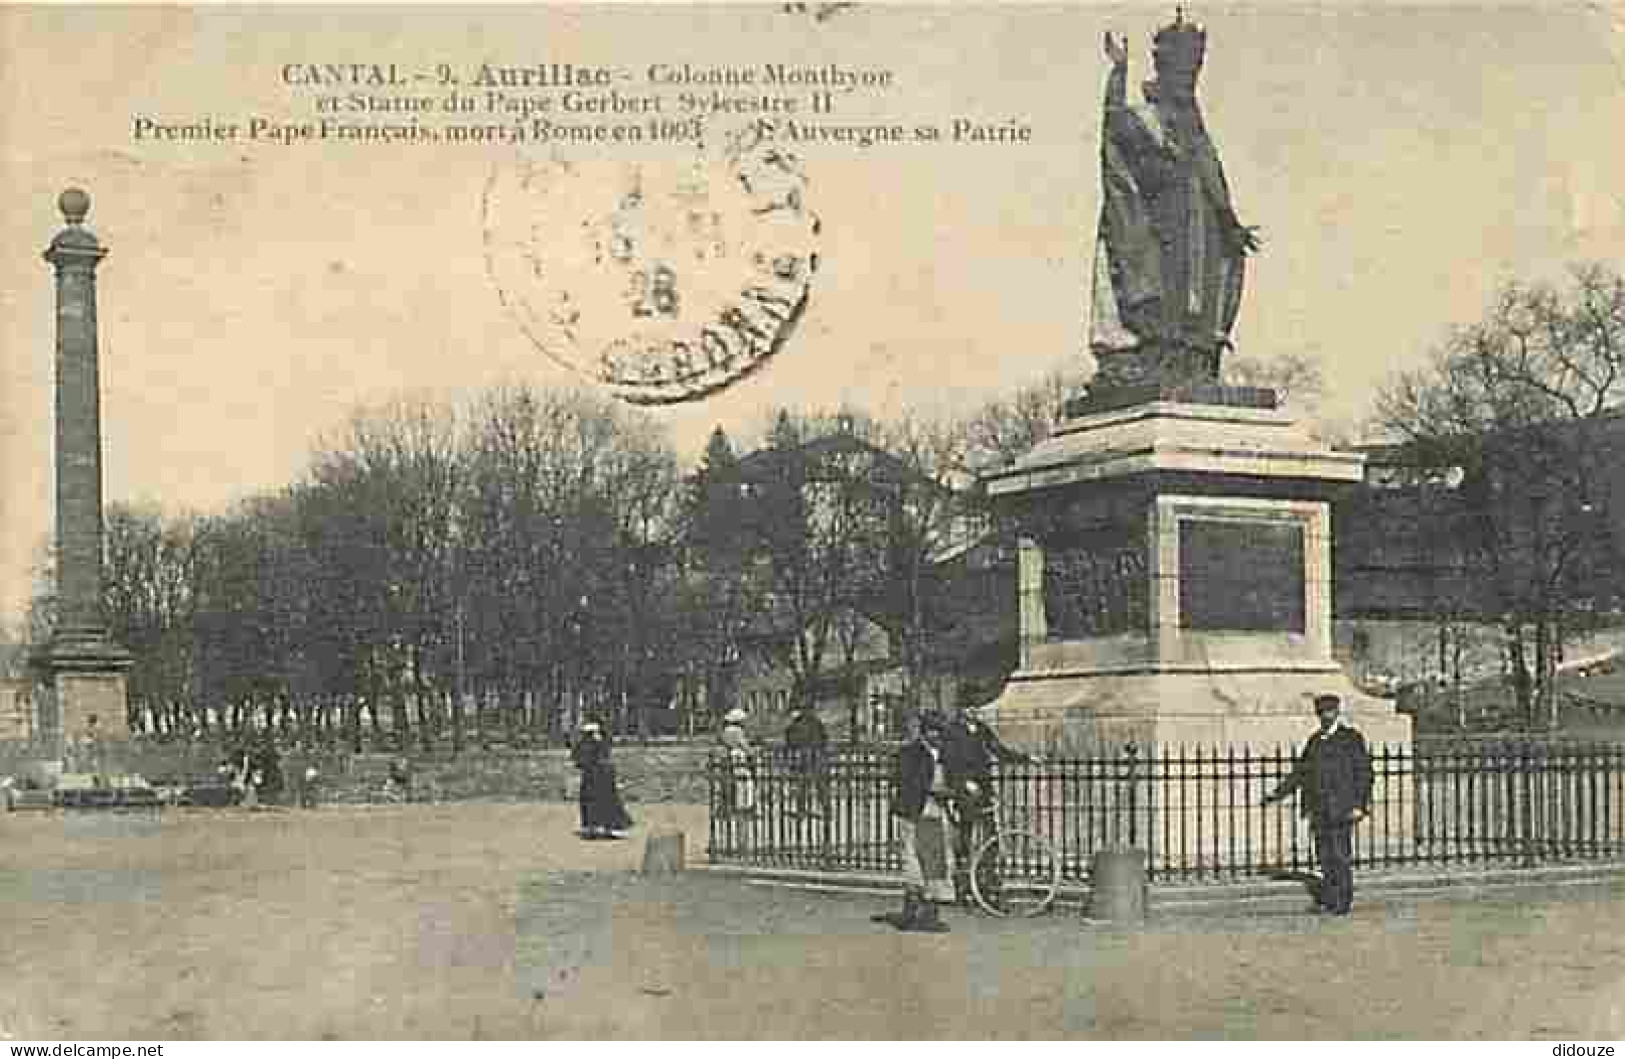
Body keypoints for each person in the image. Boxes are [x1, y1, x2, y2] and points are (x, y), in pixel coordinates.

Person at [1262, 693, 1374, 915]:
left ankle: (1342, 901)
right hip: (1320, 809)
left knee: (1340, 856)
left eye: (1330, 712)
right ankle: (1331, 897)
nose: (1326, 717)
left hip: (1342, 808)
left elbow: (1364, 773)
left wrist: (1360, 805)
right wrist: (1277, 794)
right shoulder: (1315, 741)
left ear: (1337, 713)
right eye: (1322, 713)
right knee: (1325, 857)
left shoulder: (1350, 738)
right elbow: (1301, 773)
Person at [942, 703, 1032, 901]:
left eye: (977, 708)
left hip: (983, 787)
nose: (974, 711)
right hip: (964, 789)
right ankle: (963, 884)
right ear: (962, 710)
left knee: (991, 833)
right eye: (970, 707)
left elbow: (998, 750)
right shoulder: (952, 732)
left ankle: (989, 879)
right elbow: (949, 761)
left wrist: (1026, 758)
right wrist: (964, 782)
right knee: (966, 835)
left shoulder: (982, 729)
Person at [875, 710, 954, 933]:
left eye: (940, 731)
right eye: (932, 731)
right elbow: (905, 781)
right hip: (913, 811)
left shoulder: (942, 754)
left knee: (933, 861)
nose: (936, 735)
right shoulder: (910, 753)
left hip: (933, 811)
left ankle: (928, 912)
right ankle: (912, 911)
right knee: (913, 859)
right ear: (924, 732)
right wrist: (933, 789)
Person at [572, 721, 633, 839]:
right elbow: (580, 760)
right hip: (595, 777)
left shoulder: (597, 743)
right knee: (596, 803)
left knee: (604, 803)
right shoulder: (590, 744)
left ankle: (602, 828)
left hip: (599, 778)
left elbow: (580, 760)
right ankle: (596, 828)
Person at [783, 702, 828, 817]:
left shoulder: (796, 724)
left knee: (803, 785)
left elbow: (790, 741)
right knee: (819, 784)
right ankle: (826, 809)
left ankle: (802, 810)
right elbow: (824, 738)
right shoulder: (817, 723)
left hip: (803, 756)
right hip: (816, 755)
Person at [720, 707, 756, 816]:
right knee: (745, 781)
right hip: (739, 755)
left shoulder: (726, 730)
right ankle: (746, 806)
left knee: (736, 781)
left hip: (730, 754)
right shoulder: (737, 731)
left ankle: (737, 804)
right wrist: (752, 752)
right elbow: (743, 744)